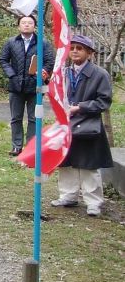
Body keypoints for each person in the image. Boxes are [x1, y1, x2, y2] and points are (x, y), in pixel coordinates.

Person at [51, 34, 113, 217]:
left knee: (88, 165)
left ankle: (93, 202)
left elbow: (104, 102)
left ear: (90, 53)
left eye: (80, 48)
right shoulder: (64, 72)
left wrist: (80, 108)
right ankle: (68, 195)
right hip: (67, 124)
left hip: (88, 124)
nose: (75, 51)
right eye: (72, 48)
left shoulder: (100, 74)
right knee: (66, 161)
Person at [0, 14, 54, 156]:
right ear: (19, 26)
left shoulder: (43, 42)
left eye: (30, 22)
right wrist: (12, 75)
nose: (27, 25)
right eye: (23, 22)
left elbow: (49, 61)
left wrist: (43, 72)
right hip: (16, 86)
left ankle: (31, 147)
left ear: (34, 26)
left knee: (34, 118)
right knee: (16, 118)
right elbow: (3, 60)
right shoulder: (11, 42)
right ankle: (16, 146)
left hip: (35, 86)